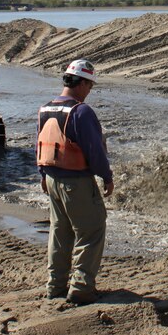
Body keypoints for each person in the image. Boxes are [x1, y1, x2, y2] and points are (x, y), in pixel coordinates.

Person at [37, 58, 113, 304]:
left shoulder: (46, 108)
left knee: (60, 234)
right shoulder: (80, 112)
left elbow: (40, 144)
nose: (89, 91)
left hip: (52, 180)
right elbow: (94, 150)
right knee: (91, 231)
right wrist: (107, 176)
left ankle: (56, 286)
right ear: (81, 83)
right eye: (89, 85)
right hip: (76, 182)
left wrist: (42, 176)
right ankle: (81, 288)